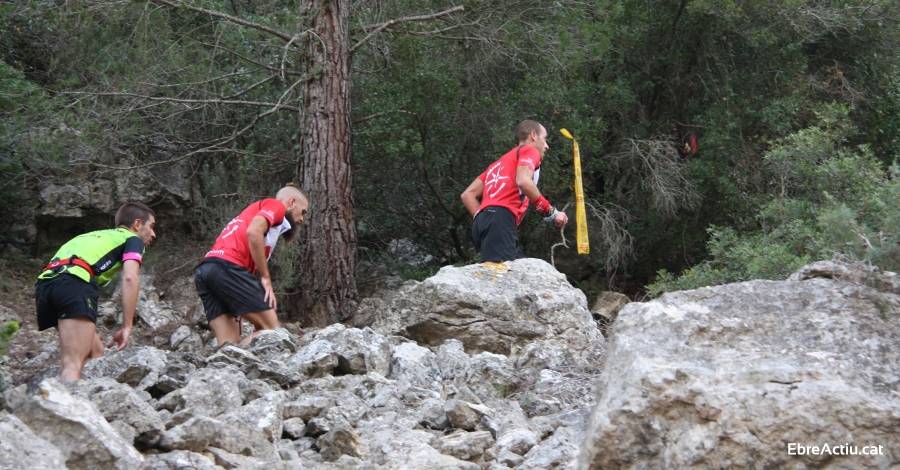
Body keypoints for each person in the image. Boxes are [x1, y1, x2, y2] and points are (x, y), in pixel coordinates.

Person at [35, 202, 157, 382]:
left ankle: (89, 397)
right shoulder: (133, 239)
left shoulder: (94, 236)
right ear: (137, 224)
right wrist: (127, 325)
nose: (153, 234)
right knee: (73, 362)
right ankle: (63, 408)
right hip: (74, 281)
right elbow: (130, 278)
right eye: (152, 227)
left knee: (96, 351)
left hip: (45, 285)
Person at [194, 185, 308, 347]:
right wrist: (265, 278)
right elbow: (254, 232)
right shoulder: (276, 206)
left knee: (229, 345)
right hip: (227, 267)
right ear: (291, 202)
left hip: (206, 270)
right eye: (303, 212)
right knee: (273, 331)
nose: (302, 219)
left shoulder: (251, 213)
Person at [460, 120, 569, 261]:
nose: (547, 146)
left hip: (483, 224)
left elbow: (468, 194)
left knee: (520, 272)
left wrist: (485, 217)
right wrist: (551, 212)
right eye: (545, 139)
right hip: (500, 220)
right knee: (501, 278)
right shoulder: (530, 150)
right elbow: (524, 181)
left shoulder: (498, 163)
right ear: (534, 135)